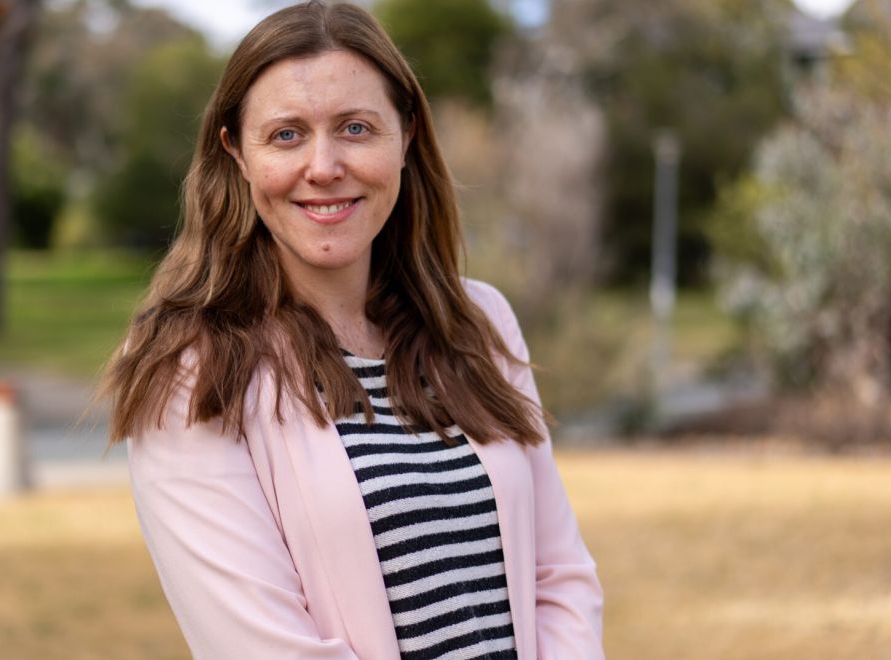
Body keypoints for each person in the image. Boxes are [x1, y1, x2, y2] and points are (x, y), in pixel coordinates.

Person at [101, 2, 604, 658]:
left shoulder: (478, 324)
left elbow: (559, 577)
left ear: (406, 136)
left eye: (356, 128)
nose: (324, 165)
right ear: (237, 153)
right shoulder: (190, 369)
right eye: (286, 134)